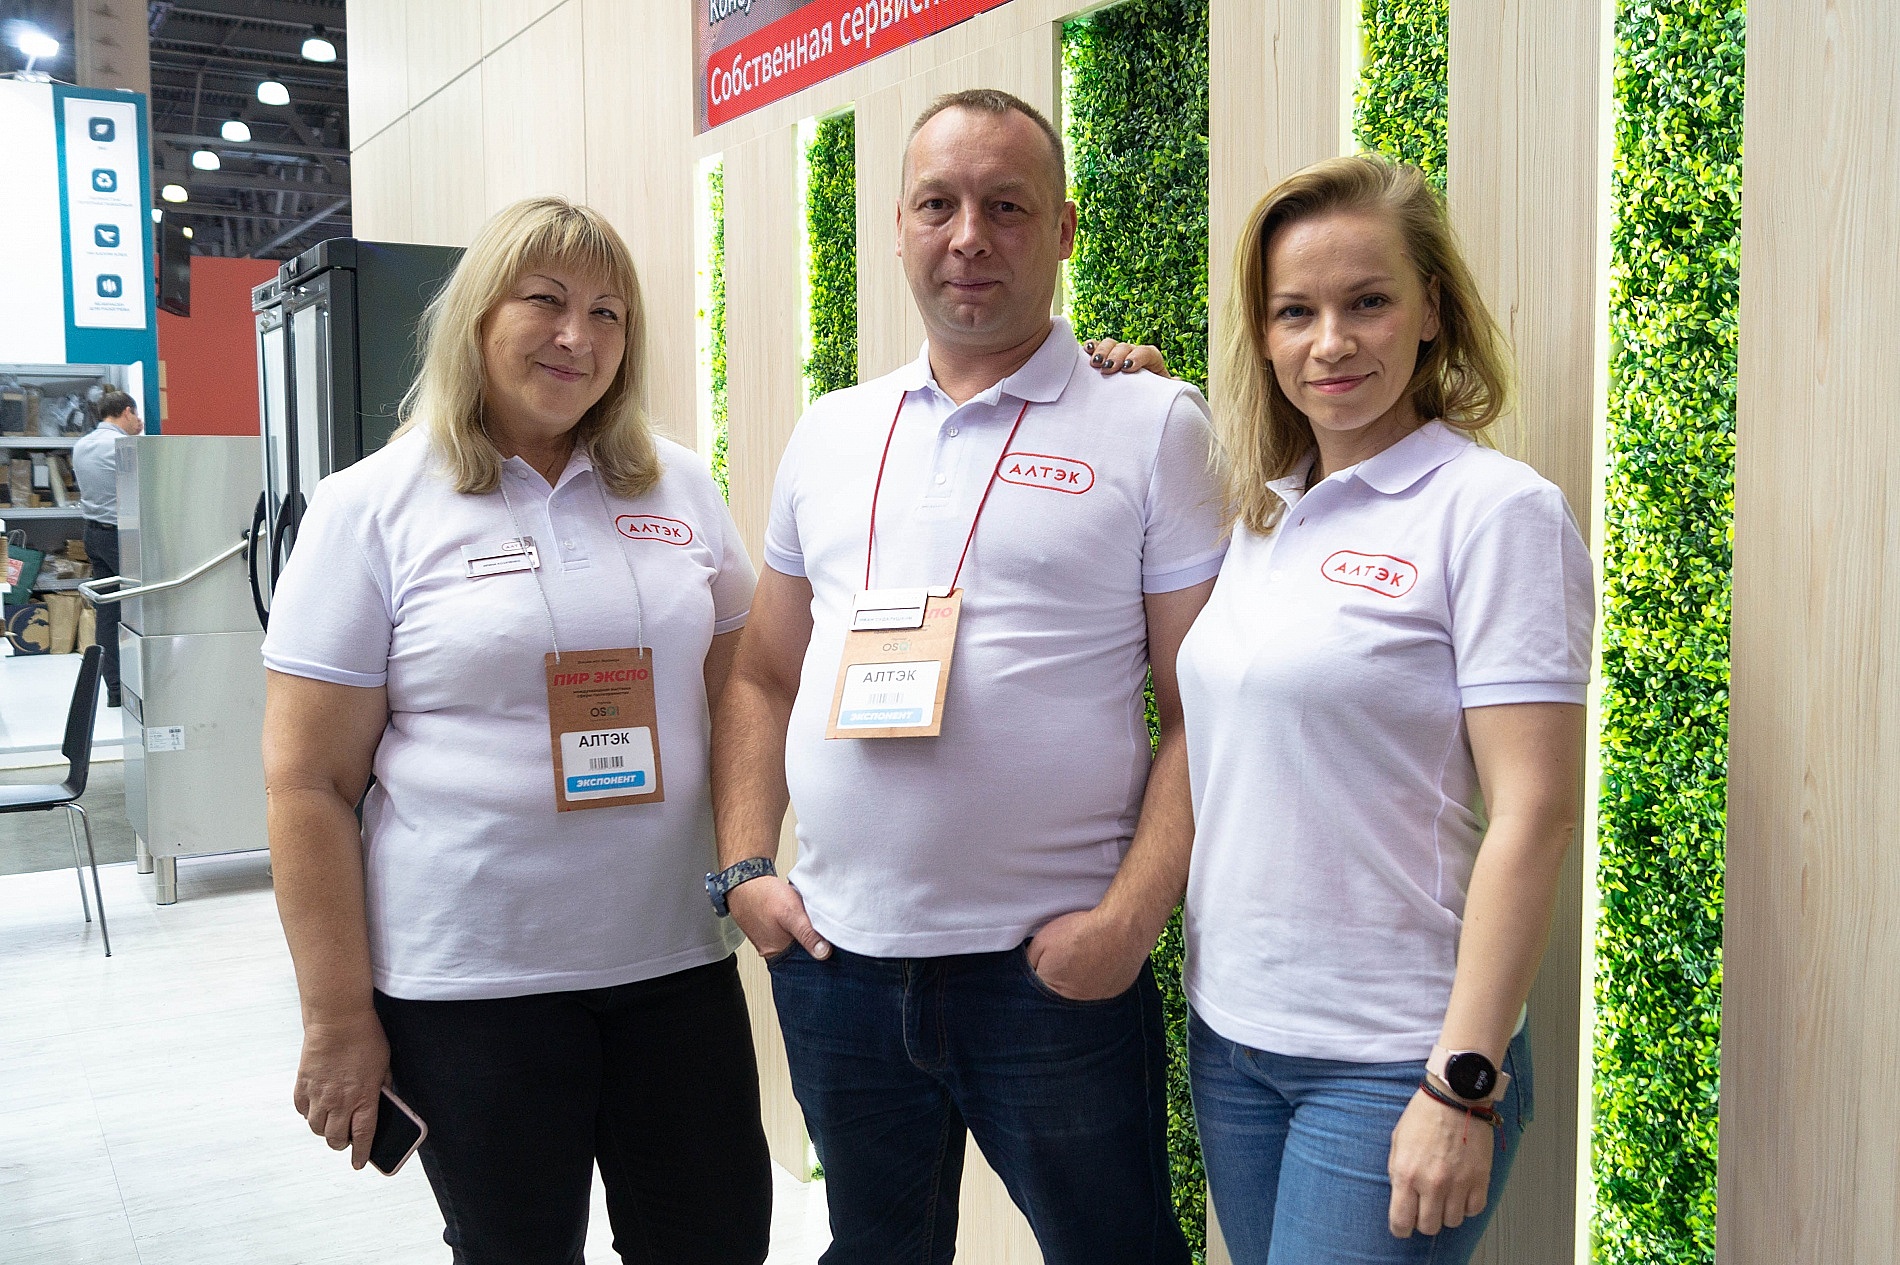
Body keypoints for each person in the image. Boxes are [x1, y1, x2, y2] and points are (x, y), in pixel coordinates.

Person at [711, 88, 1223, 1265]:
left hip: (1049, 971)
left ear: (1064, 229)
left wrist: (1128, 923)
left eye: (1007, 205)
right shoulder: (830, 432)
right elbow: (762, 675)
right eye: (937, 205)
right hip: (836, 963)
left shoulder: (1150, 422)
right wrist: (744, 870)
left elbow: (1205, 708)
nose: (968, 236)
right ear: (898, 226)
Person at [259, 197, 775, 1265]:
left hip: (674, 960)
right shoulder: (372, 506)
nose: (576, 336)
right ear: (477, 317)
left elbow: (743, 694)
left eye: (607, 312)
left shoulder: (677, 482)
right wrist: (336, 1016)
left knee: (717, 1239)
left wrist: (745, 863)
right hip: (472, 987)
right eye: (544, 300)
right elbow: (307, 783)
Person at [1176, 154, 1595, 1263]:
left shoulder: (1496, 511)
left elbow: (1537, 814)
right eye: (1295, 312)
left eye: (1367, 302)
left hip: (1397, 1056)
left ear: (1432, 311)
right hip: (1233, 1038)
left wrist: (1463, 1081)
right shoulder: (1262, 516)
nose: (1331, 342)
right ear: (1263, 336)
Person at [72, 390, 141, 706]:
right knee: (145, 608)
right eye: (136, 415)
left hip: (94, 535)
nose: (139, 422)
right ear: (127, 412)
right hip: (120, 538)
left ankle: (115, 690)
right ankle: (143, 685)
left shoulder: (82, 445)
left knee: (108, 613)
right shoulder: (122, 446)